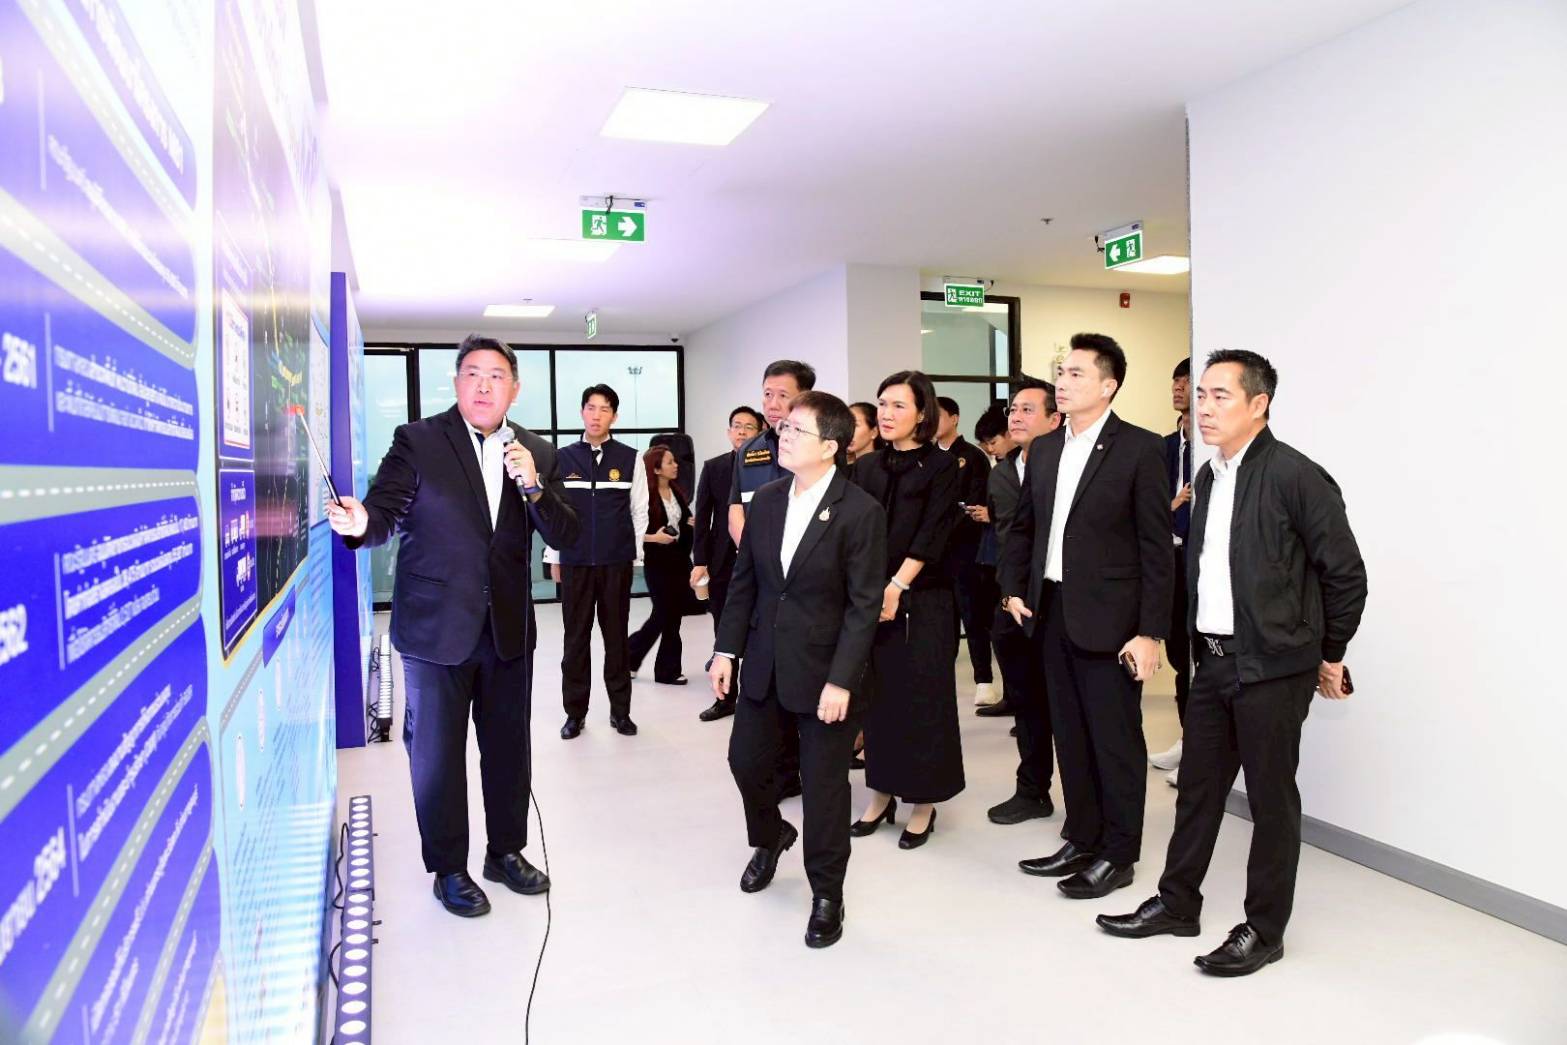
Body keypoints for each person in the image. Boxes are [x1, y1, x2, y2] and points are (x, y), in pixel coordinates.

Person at [1098, 350, 1367, 977]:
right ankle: (1176, 903)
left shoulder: (1297, 476)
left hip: (1272, 667)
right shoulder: (1211, 474)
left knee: (1271, 801)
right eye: (1201, 395)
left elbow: (1345, 574)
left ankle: (1264, 930)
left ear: (1258, 404)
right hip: (1214, 662)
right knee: (1197, 791)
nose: (1205, 407)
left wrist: (1330, 654)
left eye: (1220, 395)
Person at [326, 335, 578, 917]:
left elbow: (566, 534)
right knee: (437, 758)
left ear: (515, 388)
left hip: (507, 631)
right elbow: (384, 512)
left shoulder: (538, 452)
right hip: (436, 632)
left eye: (496, 375)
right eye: (473, 374)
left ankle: (505, 852)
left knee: (509, 751)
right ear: (457, 382)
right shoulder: (418, 440)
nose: (484, 385)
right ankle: (449, 868)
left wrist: (533, 485)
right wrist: (360, 523)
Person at [710, 392, 887, 949]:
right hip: (765, 662)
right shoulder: (766, 501)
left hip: (825, 673)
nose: (782, 436)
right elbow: (745, 583)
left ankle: (827, 893)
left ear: (830, 447)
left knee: (824, 788)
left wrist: (841, 680)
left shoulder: (860, 511)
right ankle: (770, 835)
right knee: (745, 761)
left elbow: (863, 606)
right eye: (783, 428)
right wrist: (726, 650)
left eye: (796, 431)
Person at [1000, 333, 1172, 899]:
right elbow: (1023, 526)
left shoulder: (1140, 449)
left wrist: (1150, 632)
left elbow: (1155, 549)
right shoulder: (1046, 448)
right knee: (1070, 735)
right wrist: (1012, 588)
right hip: (1050, 613)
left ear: (1108, 385)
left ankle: (1118, 855)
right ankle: (1081, 837)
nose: (1062, 382)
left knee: (1114, 741)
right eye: (1061, 372)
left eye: (1076, 374)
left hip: (1112, 623)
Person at [851, 370, 965, 849]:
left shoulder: (943, 465)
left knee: (923, 700)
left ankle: (923, 804)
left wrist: (897, 586)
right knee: (877, 699)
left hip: (924, 598)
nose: (886, 413)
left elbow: (932, 533)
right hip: (872, 598)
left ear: (922, 413)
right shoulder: (867, 466)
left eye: (898, 405)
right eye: (882, 404)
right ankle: (880, 793)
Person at [728, 360, 818, 799]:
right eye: (767, 393)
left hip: (808, 591)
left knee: (804, 685)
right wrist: (759, 560)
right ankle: (782, 775)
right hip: (764, 588)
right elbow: (736, 512)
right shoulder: (750, 451)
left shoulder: (817, 449)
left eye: (783, 394)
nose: (773, 403)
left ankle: (810, 771)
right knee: (767, 685)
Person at [980, 379, 1063, 826]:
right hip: (1011, 601)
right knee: (1026, 702)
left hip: (1056, 601)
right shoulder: (1000, 472)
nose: (1015, 417)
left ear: (1055, 419)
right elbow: (1006, 538)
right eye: (1013, 409)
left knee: (1063, 704)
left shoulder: (1068, 467)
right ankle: (1032, 789)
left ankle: (1085, 805)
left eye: (1028, 410)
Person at [545, 384, 646, 739]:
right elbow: (553, 512)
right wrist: (553, 556)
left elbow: (639, 511)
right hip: (575, 563)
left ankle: (621, 712)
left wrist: (634, 556)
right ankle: (575, 714)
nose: (596, 415)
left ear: (614, 416)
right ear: (582, 412)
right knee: (575, 641)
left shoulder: (631, 458)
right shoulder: (562, 458)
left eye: (604, 409)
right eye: (591, 407)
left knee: (616, 640)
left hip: (615, 564)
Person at [691, 406, 763, 721]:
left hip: (761, 558)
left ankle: (758, 699)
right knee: (724, 627)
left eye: (749, 426)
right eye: (737, 425)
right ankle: (725, 698)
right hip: (722, 560)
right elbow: (703, 516)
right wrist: (700, 561)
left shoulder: (768, 464)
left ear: (760, 432)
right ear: (728, 431)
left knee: (760, 629)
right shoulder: (714, 467)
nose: (742, 431)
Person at [936, 396, 999, 707]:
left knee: (972, 616)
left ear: (954, 418)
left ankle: (983, 679)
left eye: (939, 415)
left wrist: (941, 529)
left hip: (965, 549)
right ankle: (939, 680)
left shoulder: (972, 457)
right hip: (934, 553)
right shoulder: (928, 456)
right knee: (940, 620)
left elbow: (973, 504)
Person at [1150, 358, 1194, 786]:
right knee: (1180, 656)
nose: (1177, 388)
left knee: (1203, 660)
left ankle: (1200, 749)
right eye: (1175, 381)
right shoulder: (1162, 447)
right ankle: (1187, 738)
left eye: (1185, 381)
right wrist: (1173, 504)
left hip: (1199, 563)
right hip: (1170, 560)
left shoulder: (1212, 449)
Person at [628, 446, 694, 685]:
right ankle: (631, 654)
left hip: (679, 561)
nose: (675, 466)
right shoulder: (644, 497)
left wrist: (689, 523)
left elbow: (681, 522)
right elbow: (629, 531)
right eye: (669, 462)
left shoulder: (676, 492)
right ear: (656, 469)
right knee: (664, 613)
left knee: (672, 616)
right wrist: (654, 538)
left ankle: (665, 670)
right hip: (657, 563)